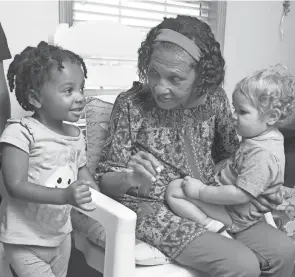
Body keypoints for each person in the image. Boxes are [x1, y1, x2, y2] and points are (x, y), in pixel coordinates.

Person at [97, 15, 295, 277]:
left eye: (175, 78)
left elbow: (234, 157)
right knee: (241, 264)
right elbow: (104, 180)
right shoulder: (131, 105)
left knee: (285, 251)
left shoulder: (215, 100)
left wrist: (263, 187)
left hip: (212, 199)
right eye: (154, 72)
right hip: (155, 211)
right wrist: (129, 177)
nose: (160, 87)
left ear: (202, 75)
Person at [0, 41, 98, 277]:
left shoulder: (76, 135)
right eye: (68, 90)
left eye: (81, 89)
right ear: (35, 98)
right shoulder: (21, 133)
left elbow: (85, 178)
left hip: (60, 237)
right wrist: (64, 196)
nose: (80, 98)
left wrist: (113, 190)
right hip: (25, 241)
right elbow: (15, 186)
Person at [165, 64, 295, 237]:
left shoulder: (263, 154)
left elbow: (240, 195)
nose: (233, 116)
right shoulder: (261, 137)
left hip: (237, 214)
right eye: (235, 108)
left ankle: (212, 226)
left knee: (174, 190)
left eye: (242, 111)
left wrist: (201, 192)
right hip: (239, 205)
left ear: (272, 117)